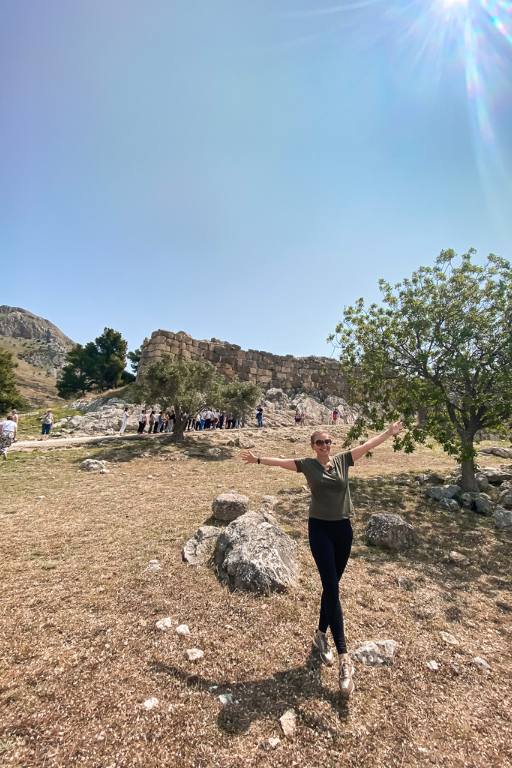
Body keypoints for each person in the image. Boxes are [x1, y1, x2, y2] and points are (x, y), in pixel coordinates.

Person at [240, 420, 403, 698]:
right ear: (313, 447)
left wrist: (388, 433)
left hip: (344, 529)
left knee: (331, 588)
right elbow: (280, 462)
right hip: (319, 529)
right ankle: (344, 657)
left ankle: (319, 634)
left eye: (328, 441)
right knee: (333, 587)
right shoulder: (307, 465)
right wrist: (256, 459)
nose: (325, 446)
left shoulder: (343, 460)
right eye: (319, 442)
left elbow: (368, 445)